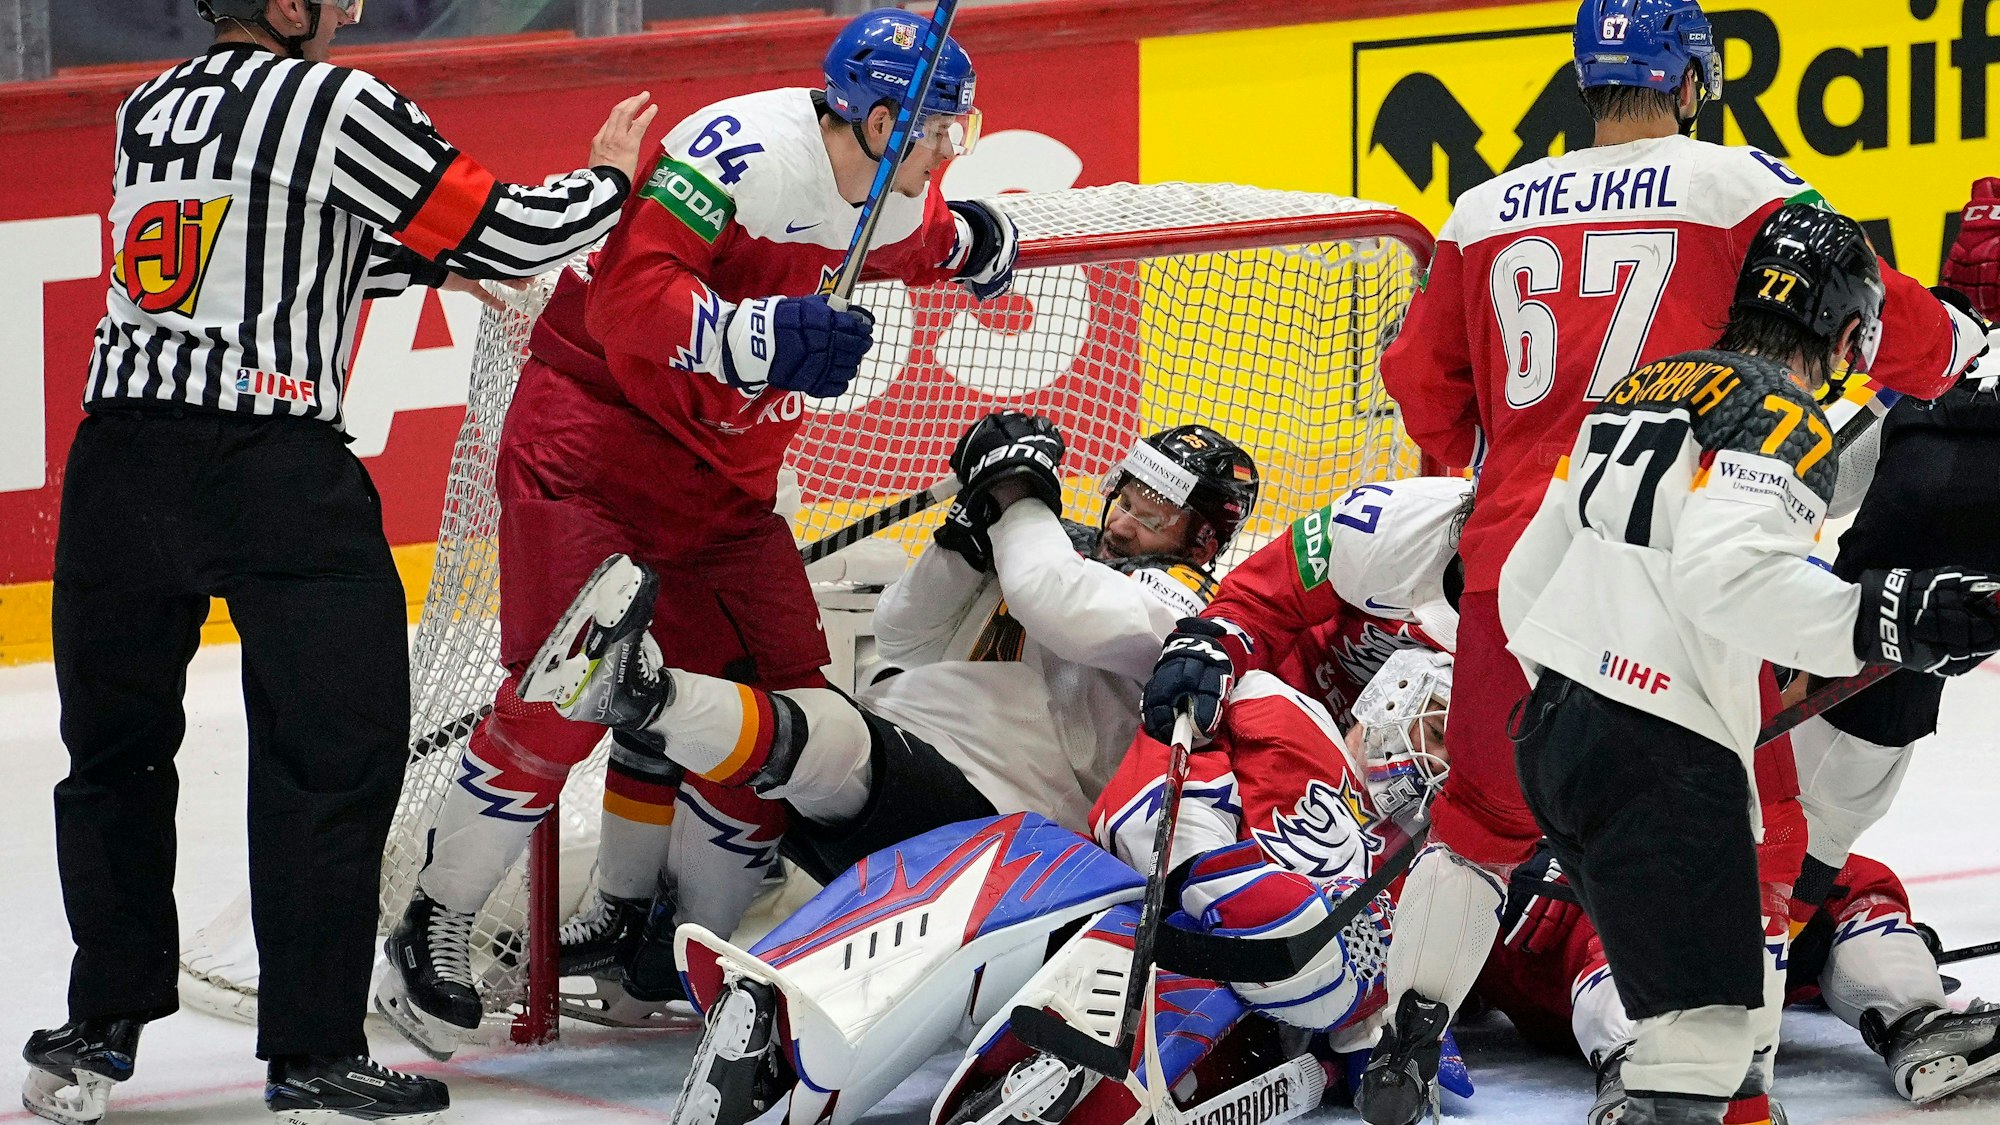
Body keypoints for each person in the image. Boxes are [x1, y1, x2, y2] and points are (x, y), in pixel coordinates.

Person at [22, 1, 651, 1122]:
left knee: (111, 761)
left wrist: (423, 274)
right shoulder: (338, 101)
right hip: (272, 472)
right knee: (333, 759)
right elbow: (505, 228)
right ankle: (310, 1052)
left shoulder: (147, 107)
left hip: (116, 467)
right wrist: (606, 182)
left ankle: (95, 1030)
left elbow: (257, 251)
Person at [1360, 2, 1988, 1118]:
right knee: (1751, 830)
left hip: (1521, 554)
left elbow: (1424, 389)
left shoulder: (1479, 207)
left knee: (1477, 820)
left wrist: (1485, 499)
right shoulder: (1736, 183)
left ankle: (1405, 1036)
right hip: (1678, 566)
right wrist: (1962, 345)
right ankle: (1731, 1083)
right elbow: (1869, 306)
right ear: (1692, 80)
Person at [375, 6, 1020, 1057]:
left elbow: (929, 239)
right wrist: (754, 333)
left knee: (777, 721)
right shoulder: (736, 152)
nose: (947, 152)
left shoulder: (895, 198)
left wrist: (973, 238)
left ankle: (670, 948)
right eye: (936, 132)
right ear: (870, 119)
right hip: (593, 446)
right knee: (565, 694)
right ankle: (428, 931)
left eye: (958, 132)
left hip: (722, 487)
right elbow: (630, 307)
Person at [520, 416, 1259, 1119]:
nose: (1124, 521)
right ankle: (643, 915)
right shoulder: (1058, 552)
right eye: (1124, 496)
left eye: (1152, 514)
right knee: (758, 725)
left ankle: (642, 693)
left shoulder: (1191, 611)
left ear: (1201, 536)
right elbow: (903, 632)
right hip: (939, 790)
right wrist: (965, 537)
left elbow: (1053, 599)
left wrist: (1015, 493)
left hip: (1012, 836)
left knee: (821, 735)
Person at [1496, 203, 2000, 1125]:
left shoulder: (1644, 386)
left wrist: (1593, 691)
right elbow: (1731, 578)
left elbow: (1526, 582)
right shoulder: (1783, 414)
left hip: (1554, 737)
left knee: (1697, 1032)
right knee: (1712, 1055)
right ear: (1851, 332)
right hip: (1660, 763)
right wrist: (1881, 616)